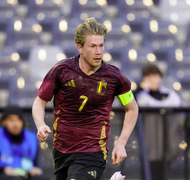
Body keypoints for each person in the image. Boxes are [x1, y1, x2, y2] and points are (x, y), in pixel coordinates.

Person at [32, 17, 139, 180]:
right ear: (80, 47)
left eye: (101, 45)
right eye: (93, 46)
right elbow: (39, 101)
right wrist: (40, 125)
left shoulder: (114, 77)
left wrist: (121, 143)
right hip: (62, 150)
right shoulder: (62, 71)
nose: (99, 51)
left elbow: (132, 108)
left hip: (93, 151)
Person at [136, 63, 184, 180]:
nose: (152, 80)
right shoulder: (141, 96)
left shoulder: (171, 95)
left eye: (154, 76)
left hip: (169, 144)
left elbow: (181, 114)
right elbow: (129, 103)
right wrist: (141, 87)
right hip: (150, 145)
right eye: (148, 77)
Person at [0, 107, 49, 180]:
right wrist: (4, 170)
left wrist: (35, 170)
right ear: (3, 122)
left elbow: (34, 163)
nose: (15, 124)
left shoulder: (32, 137)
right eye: (11, 120)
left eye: (19, 120)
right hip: (4, 174)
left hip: (27, 174)